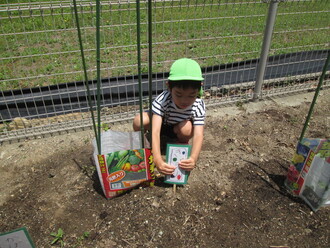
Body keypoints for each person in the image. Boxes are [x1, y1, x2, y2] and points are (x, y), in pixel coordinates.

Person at [133, 58, 205, 175]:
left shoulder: (198, 105)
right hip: (160, 126)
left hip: (177, 128)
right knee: (139, 120)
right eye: (178, 94)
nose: (184, 101)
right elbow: (155, 130)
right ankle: (145, 144)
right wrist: (157, 159)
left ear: (199, 88)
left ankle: (180, 145)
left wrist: (193, 158)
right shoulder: (163, 100)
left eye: (191, 95)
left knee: (187, 129)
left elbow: (198, 134)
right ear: (169, 86)